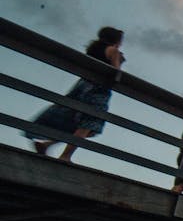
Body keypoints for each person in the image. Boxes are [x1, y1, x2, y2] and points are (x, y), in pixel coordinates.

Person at [26, 27, 125, 162]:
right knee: (88, 125)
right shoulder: (113, 51)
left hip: (82, 86)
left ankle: (47, 144)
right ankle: (66, 155)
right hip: (98, 90)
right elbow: (116, 73)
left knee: (75, 122)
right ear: (116, 40)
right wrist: (119, 60)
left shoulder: (93, 49)